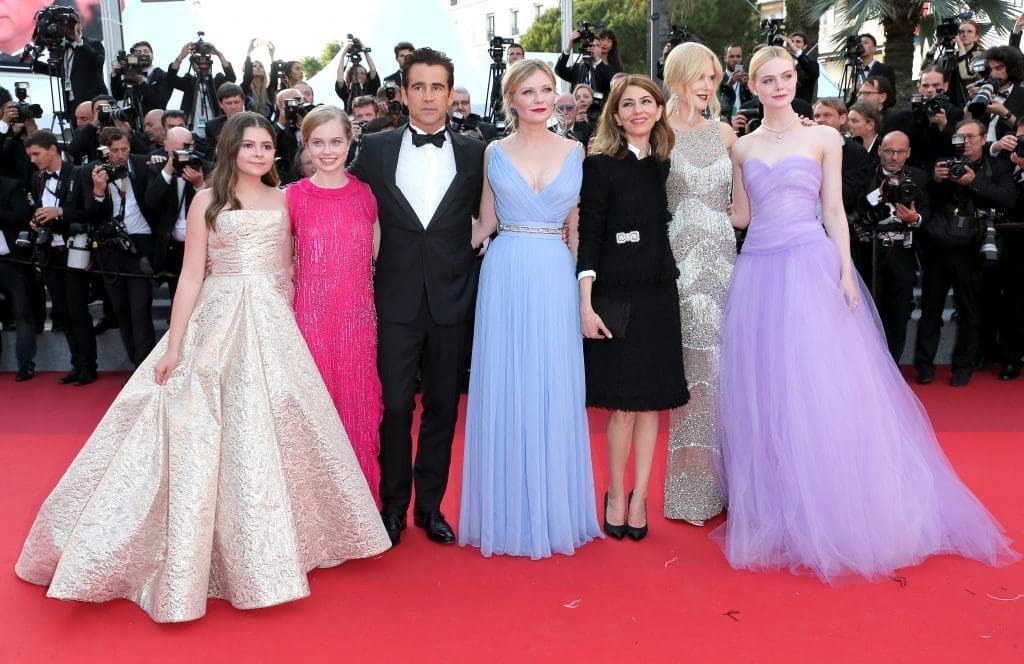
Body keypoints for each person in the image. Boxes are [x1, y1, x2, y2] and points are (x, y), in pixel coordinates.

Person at [14, 111, 391, 623]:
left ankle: (284, 539)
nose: (259, 154)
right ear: (231, 149)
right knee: (203, 423)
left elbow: (288, 268)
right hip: (220, 314)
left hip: (274, 320)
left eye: (265, 147)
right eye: (249, 146)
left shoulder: (284, 200)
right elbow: (191, 276)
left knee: (278, 426)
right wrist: (174, 346)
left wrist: (296, 322)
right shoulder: (208, 201)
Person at [714, 46, 1018, 584]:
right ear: (753, 86)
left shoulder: (825, 137)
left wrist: (844, 272)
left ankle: (833, 505)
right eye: (769, 79)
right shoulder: (740, 148)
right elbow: (739, 214)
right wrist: (695, 181)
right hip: (757, 270)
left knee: (821, 387)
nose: (780, 85)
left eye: (787, 76)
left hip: (809, 264)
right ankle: (780, 505)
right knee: (768, 390)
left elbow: (833, 208)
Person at [458, 59, 601, 558]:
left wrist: (585, 295)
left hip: (554, 273)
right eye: (528, 91)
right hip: (506, 269)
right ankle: (509, 512)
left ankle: (552, 508)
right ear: (511, 98)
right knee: (507, 383)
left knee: (552, 383)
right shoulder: (493, 152)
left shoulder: (578, 151)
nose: (539, 99)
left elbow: (580, 231)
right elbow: (484, 224)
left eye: (547, 89)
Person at [348, 48, 485, 547]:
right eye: (419, 87)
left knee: (444, 407)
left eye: (438, 87)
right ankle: (391, 508)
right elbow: (352, 210)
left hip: (452, 298)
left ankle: (431, 508)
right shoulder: (377, 150)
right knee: (396, 408)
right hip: (394, 298)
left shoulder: (475, 152)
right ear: (403, 94)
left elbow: (488, 215)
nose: (429, 97)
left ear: (451, 94)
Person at [577, 73, 687, 543]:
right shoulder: (600, 165)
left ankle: (642, 496)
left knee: (652, 407)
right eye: (628, 105)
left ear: (660, 109)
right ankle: (616, 493)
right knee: (622, 408)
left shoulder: (665, 162)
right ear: (616, 116)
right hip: (615, 295)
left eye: (647, 102)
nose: (638, 110)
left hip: (660, 292)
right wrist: (585, 302)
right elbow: (590, 235)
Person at [288, 105, 383, 505]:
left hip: (358, 324)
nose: (327, 151)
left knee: (359, 412)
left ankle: (359, 511)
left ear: (350, 142)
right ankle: (317, 515)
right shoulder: (290, 198)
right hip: (308, 324)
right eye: (318, 142)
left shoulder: (366, 194)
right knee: (312, 417)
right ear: (305, 145)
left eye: (336, 142)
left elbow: (375, 256)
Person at [661, 42, 737, 526]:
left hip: (725, 259)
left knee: (728, 375)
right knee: (693, 375)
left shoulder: (727, 133)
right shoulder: (657, 131)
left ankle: (730, 484)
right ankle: (691, 491)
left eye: (713, 77)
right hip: (680, 262)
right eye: (699, 77)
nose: (708, 85)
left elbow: (746, 205)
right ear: (676, 78)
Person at [24, 130, 97, 386]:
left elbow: (90, 212)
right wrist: (35, 221)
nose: (33, 160)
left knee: (77, 311)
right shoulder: (37, 179)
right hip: (49, 254)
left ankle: (88, 366)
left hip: (72, 252)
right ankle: (76, 364)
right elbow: (38, 210)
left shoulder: (78, 173)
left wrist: (61, 211)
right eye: (30, 155)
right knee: (63, 312)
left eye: (37, 154)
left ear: (52, 149)